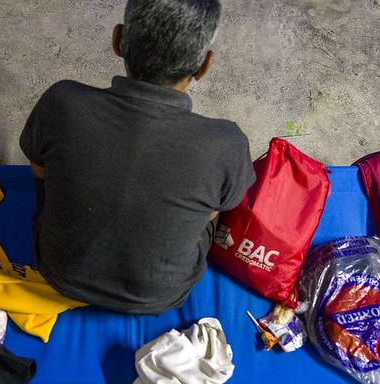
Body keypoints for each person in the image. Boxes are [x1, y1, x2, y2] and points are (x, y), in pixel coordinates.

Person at [19, 0, 255, 314]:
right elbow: (216, 212)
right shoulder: (226, 143)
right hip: (159, 297)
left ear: (118, 40)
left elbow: (39, 171)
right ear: (204, 66)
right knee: (216, 207)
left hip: (59, 273)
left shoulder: (61, 102)